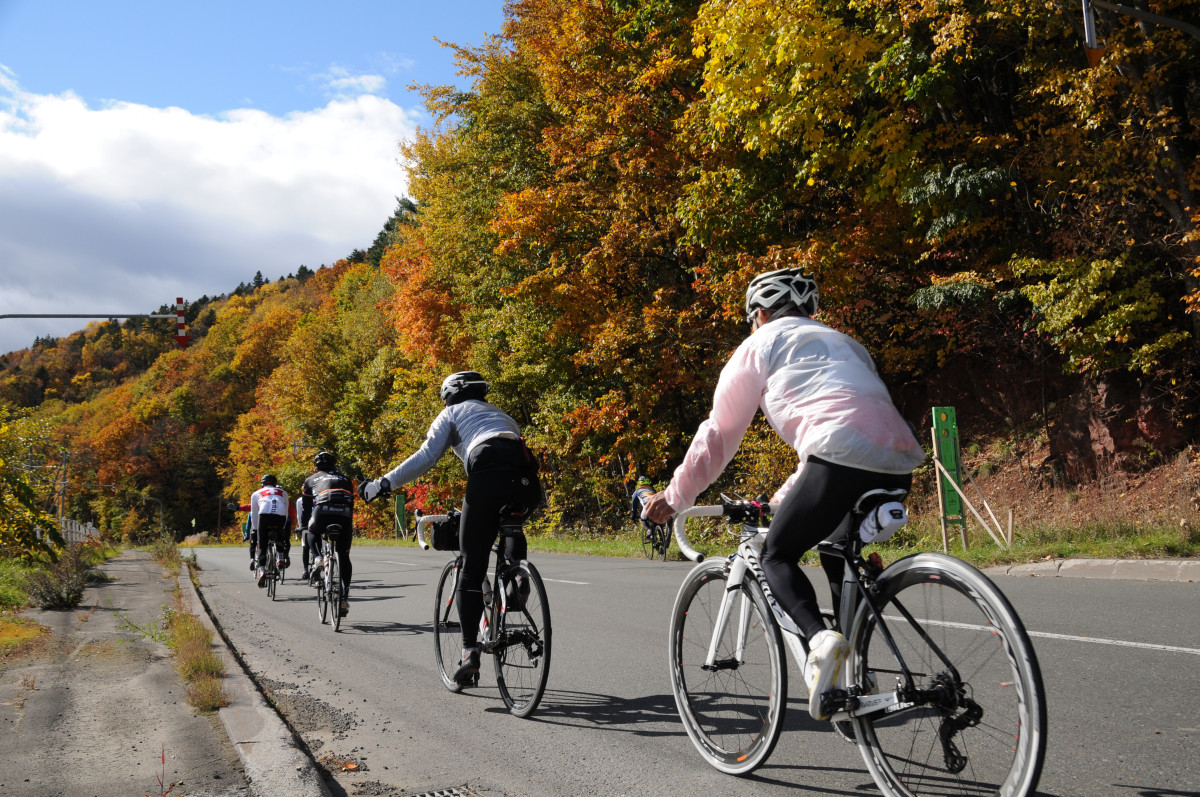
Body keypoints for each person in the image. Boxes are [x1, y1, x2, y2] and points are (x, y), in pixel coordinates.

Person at [641, 267, 925, 721]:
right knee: (837, 547)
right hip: (899, 460)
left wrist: (675, 498)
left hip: (837, 457)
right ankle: (854, 678)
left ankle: (820, 641)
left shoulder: (759, 345)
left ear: (760, 313)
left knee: (776, 555)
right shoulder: (849, 345)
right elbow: (850, 427)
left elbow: (718, 434)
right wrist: (782, 500)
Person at [358, 371, 542, 685]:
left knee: (471, 569)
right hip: (526, 481)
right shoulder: (502, 415)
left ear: (450, 394)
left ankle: (470, 651)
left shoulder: (451, 413)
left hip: (487, 477)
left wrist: (382, 485)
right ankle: (517, 578)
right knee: (511, 523)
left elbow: (426, 456)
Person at [300, 451, 356, 616]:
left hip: (322, 511)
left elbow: (306, 508)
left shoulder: (310, 480)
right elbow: (351, 502)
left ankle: (318, 558)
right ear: (334, 465)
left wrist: (303, 525)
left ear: (316, 466)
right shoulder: (345, 479)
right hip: (344, 514)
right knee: (344, 557)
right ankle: (344, 598)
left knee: (311, 530)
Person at [250, 474, 291, 587]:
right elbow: (286, 510)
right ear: (274, 483)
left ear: (262, 484)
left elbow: (253, 513)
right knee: (280, 536)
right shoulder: (283, 492)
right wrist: (283, 527)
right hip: (280, 516)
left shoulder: (256, 493)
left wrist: (255, 529)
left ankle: (262, 570)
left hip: (264, 516)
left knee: (262, 544)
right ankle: (281, 557)